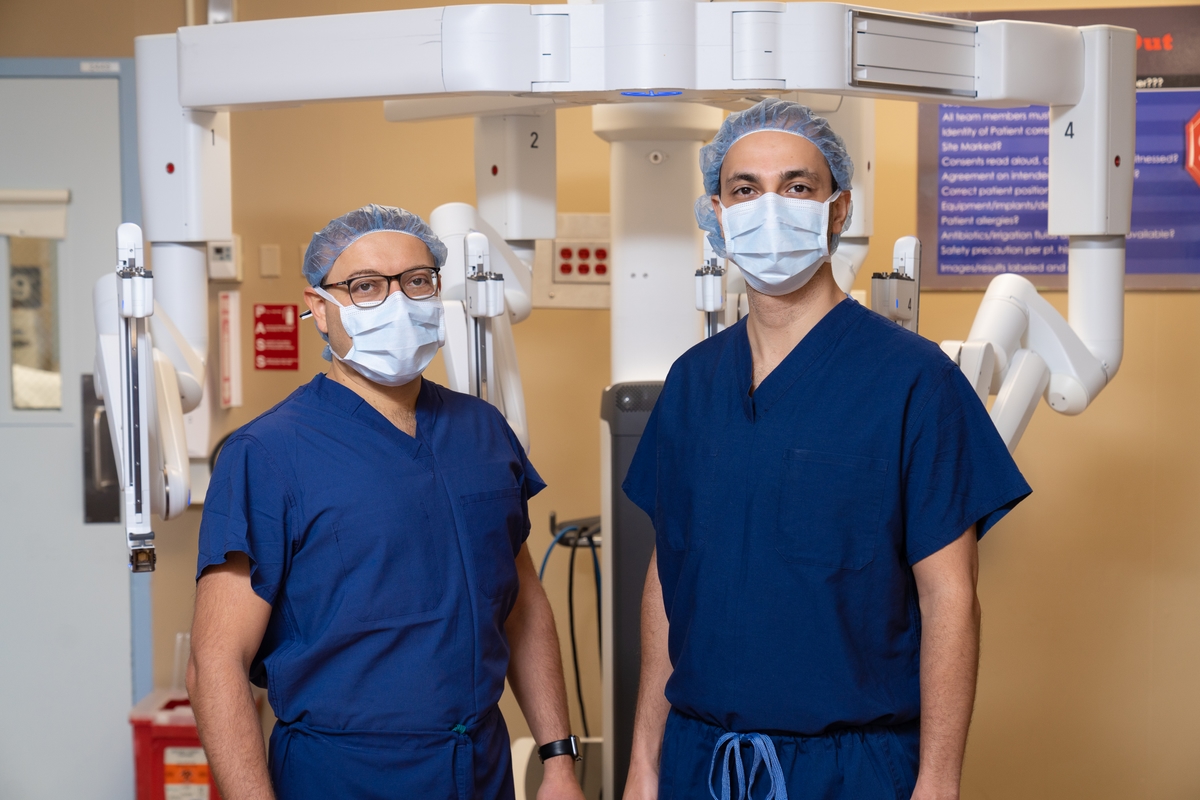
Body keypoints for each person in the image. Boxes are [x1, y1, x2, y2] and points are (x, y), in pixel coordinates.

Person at [620, 100, 1032, 800]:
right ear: (717, 213)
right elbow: (669, 580)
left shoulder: (914, 379)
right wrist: (644, 765)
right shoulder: (692, 381)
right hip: (697, 761)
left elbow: (950, 599)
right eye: (745, 189)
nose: (768, 207)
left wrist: (938, 783)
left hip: (852, 770)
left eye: (797, 186)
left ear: (837, 209)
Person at [188, 204, 586, 800]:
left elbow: (521, 604)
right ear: (320, 307)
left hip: (479, 766)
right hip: (342, 774)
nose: (398, 302)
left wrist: (558, 760)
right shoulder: (267, 453)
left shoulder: (482, 430)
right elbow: (215, 664)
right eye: (366, 286)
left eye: (417, 281)